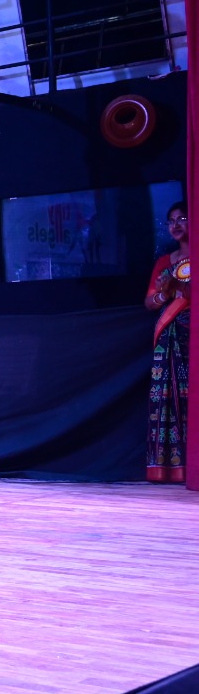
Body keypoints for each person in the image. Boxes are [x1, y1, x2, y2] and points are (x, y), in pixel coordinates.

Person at [147, 201, 189, 483]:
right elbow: (150, 302)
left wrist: (183, 288)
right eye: (171, 220)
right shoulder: (164, 263)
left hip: (193, 335)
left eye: (182, 219)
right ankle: (172, 467)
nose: (175, 225)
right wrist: (165, 293)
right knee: (168, 400)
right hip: (169, 336)